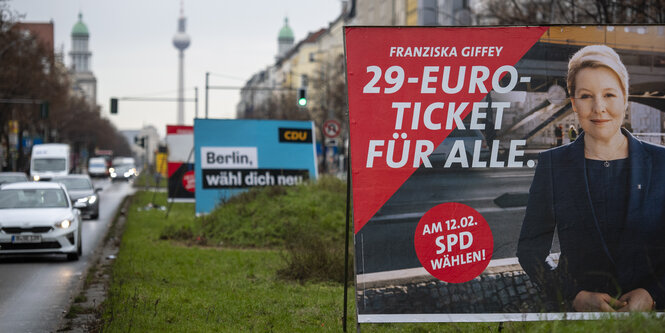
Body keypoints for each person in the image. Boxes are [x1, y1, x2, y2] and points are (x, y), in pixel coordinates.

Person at [517, 44, 665, 312]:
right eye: (586, 96)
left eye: (609, 94)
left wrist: (654, 294)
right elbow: (530, 249)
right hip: (579, 320)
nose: (599, 108)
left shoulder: (662, 162)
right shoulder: (553, 165)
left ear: (624, 98)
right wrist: (572, 295)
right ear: (573, 102)